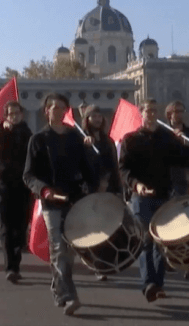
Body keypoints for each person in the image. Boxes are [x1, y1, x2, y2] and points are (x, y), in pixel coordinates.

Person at [23, 93, 97, 316]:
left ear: (66, 110)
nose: (57, 111)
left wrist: (94, 182)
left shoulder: (75, 137)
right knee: (57, 247)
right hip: (51, 203)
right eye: (53, 107)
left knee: (69, 250)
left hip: (73, 200)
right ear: (46, 111)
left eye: (62, 107)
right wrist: (44, 190)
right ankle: (69, 296)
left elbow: (88, 170)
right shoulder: (38, 139)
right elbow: (28, 175)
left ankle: (58, 286)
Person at [119, 98, 189, 303]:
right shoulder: (131, 140)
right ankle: (148, 284)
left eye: (154, 111)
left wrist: (182, 144)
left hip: (163, 195)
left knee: (161, 242)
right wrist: (136, 185)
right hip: (141, 198)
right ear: (140, 114)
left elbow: (182, 161)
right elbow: (123, 169)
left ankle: (158, 284)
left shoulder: (166, 137)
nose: (151, 115)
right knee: (146, 242)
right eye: (147, 111)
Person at [0, 101, 33, 284]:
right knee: (7, 228)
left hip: (23, 186)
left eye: (17, 113)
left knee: (21, 228)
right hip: (4, 186)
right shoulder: (2, 131)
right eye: (11, 114)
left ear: (22, 115)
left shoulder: (27, 133)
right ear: (6, 116)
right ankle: (11, 267)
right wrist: (2, 126)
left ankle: (16, 261)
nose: (14, 116)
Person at [81, 104, 122, 281]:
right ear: (87, 119)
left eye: (99, 116)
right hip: (89, 192)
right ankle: (97, 264)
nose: (97, 119)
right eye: (93, 117)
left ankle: (104, 264)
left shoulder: (108, 141)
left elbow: (114, 166)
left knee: (108, 229)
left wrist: (117, 190)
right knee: (93, 229)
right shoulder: (82, 140)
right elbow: (80, 167)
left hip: (109, 190)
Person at [165, 101, 189, 197]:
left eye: (182, 111)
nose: (180, 114)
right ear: (169, 115)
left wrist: (187, 144)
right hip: (166, 177)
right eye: (177, 111)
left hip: (184, 177)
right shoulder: (163, 131)